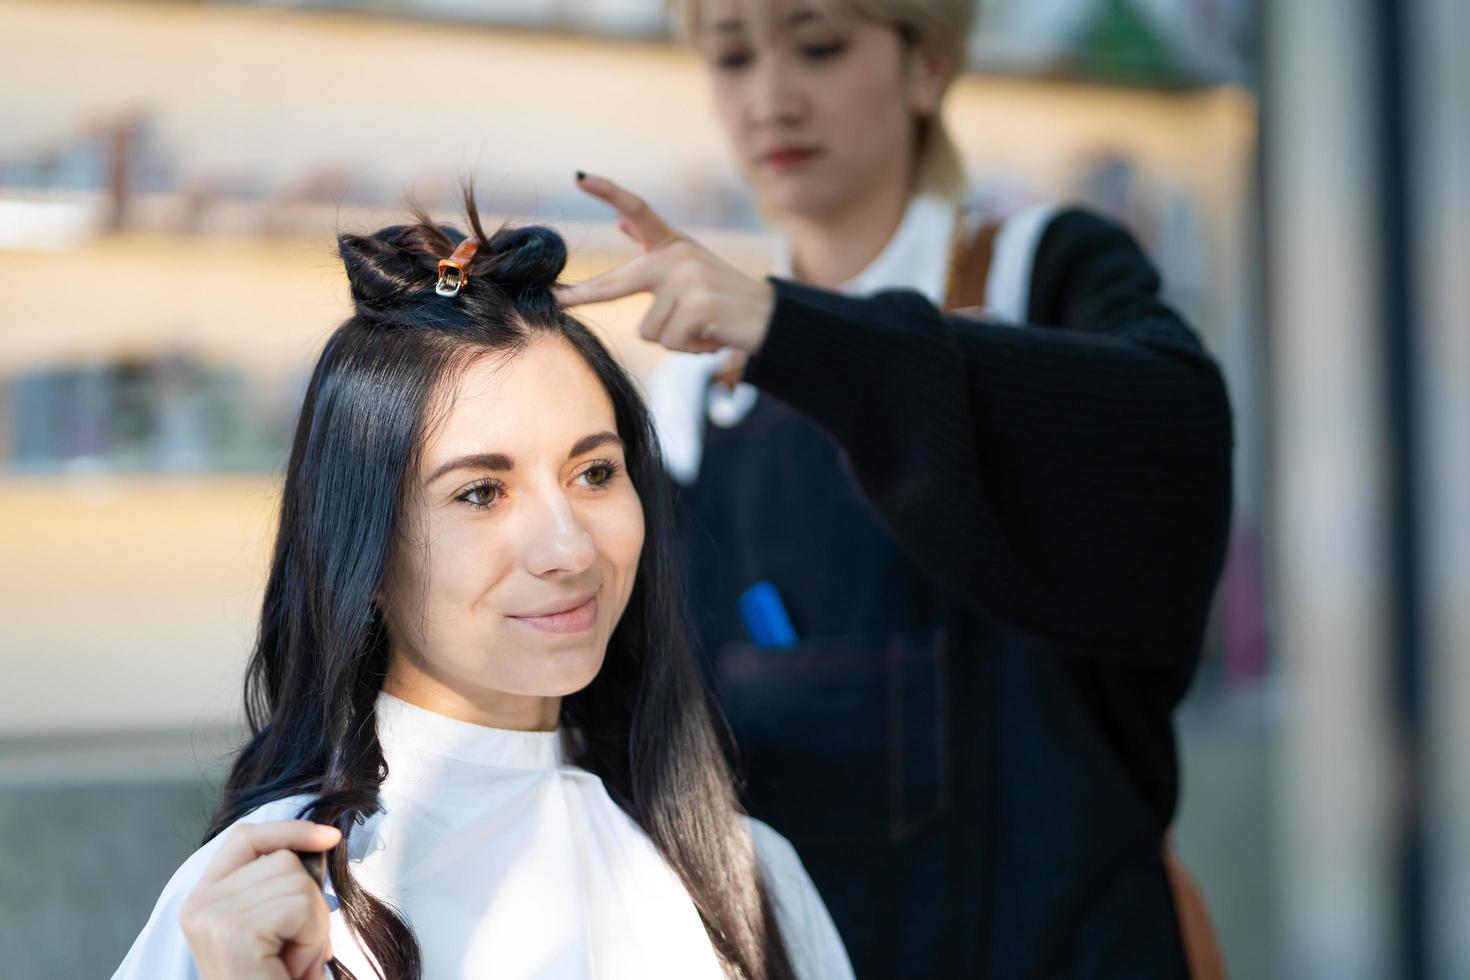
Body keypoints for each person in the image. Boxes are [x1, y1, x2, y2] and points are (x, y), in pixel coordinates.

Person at [551, 0, 1234, 975]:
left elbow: (1177, 446)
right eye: (732, 57)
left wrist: (792, 331)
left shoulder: (1041, 273)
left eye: (819, 45)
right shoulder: (698, 394)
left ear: (929, 65)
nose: (770, 99)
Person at [113, 200, 854, 980]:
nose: (569, 548)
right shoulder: (261, 912)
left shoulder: (748, 881)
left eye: (595, 473)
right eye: (480, 493)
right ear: (358, 551)